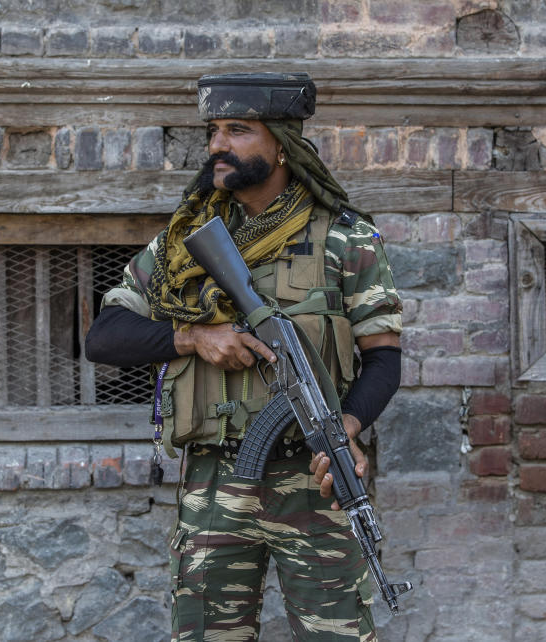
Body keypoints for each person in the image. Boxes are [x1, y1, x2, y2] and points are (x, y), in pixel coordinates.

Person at [85, 72, 402, 642]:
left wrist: (346, 429)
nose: (216, 146)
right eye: (213, 130)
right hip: (214, 483)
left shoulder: (345, 239)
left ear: (281, 143)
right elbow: (104, 337)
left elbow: (384, 359)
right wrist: (193, 337)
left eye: (237, 130)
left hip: (315, 481)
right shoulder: (184, 242)